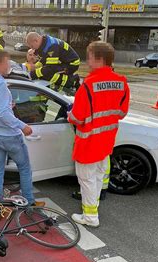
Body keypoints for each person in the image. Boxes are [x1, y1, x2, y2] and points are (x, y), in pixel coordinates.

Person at [0, 50, 45, 220]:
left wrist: (1, 109)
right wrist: (23, 126)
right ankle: (29, 204)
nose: (9, 66)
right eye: (7, 62)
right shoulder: (0, 85)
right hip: (10, 136)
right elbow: (3, 113)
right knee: (24, 168)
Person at [67, 42, 130, 227]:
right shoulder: (121, 82)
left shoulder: (88, 85)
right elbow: (122, 112)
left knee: (86, 180)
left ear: (99, 59)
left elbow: (78, 118)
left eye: (89, 56)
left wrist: (70, 115)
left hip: (88, 143)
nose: (87, 60)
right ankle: (92, 211)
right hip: (106, 141)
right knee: (95, 178)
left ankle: (90, 217)